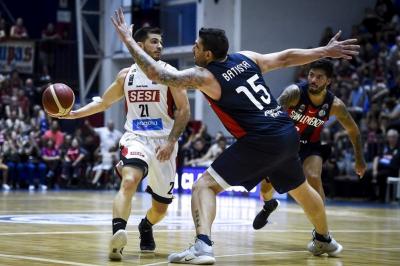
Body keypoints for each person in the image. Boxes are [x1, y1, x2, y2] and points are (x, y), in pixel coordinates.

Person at [112, 9, 359, 264]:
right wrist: (323, 52)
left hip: (260, 139)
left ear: (208, 54)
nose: (193, 50)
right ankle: (324, 239)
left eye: (196, 47)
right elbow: (286, 58)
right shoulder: (247, 58)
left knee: (204, 186)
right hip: (286, 132)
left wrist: (129, 41)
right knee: (302, 189)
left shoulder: (204, 75)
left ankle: (202, 247)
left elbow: (157, 75)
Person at [55, 26, 190, 260]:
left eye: (161, 42)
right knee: (129, 181)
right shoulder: (126, 76)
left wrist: (170, 142)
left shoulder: (170, 74)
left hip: (163, 143)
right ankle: (117, 235)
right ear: (139, 46)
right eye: (154, 42)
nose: (160, 46)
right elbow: (104, 103)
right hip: (135, 137)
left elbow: (184, 110)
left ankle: (146, 225)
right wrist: (75, 114)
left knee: (161, 209)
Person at [252, 59, 366, 230]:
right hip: (286, 144)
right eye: (311, 75)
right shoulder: (294, 92)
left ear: (328, 81)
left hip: (311, 147)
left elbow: (353, 130)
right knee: (265, 191)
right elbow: (272, 112)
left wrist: (360, 159)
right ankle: (269, 205)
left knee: (313, 176)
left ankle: (321, 231)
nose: (313, 80)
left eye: (319, 77)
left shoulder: (335, 105)